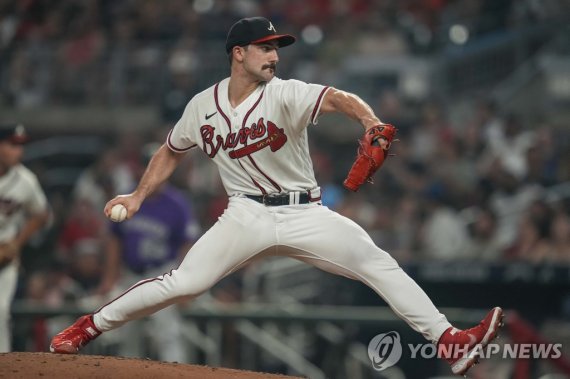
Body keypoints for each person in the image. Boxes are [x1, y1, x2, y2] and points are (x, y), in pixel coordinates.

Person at [50, 17, 502, 376]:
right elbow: (171, 151)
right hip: (246, 215)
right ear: (238, 53)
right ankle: (87, 327)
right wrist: (138, 195)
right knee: (185, 284)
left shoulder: (285, 93)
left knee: (376, 262)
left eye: (276, 48)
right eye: (265, 47)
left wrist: (370, 123)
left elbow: (339, 98)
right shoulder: (200, 106)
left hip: (305, 211)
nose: (274, 56)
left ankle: (450, 342)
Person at [96, 143, 200, 362]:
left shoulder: (177, 204)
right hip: (131, 274)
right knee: (126, 334)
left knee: (168, 334)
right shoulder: (128, 198)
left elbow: (187, 244)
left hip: (162, 273)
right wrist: (109, 276)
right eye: (146, 167)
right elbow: (115, 240)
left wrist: (185, 283)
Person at [0, 123, 50, 352]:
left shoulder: (25, 180)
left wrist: (17, 243)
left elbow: (41, 214)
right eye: (12, 145)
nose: (18, 152)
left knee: (0, 312)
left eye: (21, 146)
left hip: (4, 259)